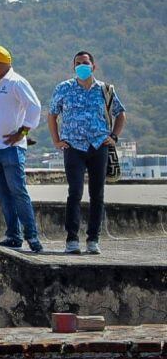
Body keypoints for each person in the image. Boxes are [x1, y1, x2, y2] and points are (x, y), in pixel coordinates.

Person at [48, 51, 126, 255]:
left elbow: (120, 113)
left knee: (97, 194)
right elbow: (52, 114)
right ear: (73, 67)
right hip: (73, 147)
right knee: (75, 192)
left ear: (93, 66)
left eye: (85, 63)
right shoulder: (63, 88)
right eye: (78, 64)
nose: (81, 66)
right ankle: (72, 239)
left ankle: (93, 239)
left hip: (98, 146)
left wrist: (114, 136)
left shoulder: (105, 89)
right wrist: (56, 140)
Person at [0, 45, 42, 253]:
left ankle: (32, 236)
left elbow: (34, 106)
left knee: (17, 191)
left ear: (0, 63)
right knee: (2, 193)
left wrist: (22, 133)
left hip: (10, 149)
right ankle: (13, 235)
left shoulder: (16, 82)